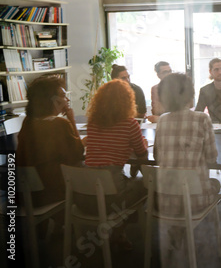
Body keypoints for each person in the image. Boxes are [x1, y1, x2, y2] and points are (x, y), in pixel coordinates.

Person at [83, 79, 149, 250]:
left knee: (124, 180)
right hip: (113, 196)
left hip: (85, 194)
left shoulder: (92, 123)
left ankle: (119, 231)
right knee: (145, 185)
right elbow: (142, 155)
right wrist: (142, 142)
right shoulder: (130, 124)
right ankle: (119, 229)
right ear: (127, 101)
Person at [154, 73, 221, 215]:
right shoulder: (202, 119)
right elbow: (211, 158)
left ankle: (177, 231)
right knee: (216, 183)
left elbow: (157, 157)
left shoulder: (162, 120)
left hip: (166, 200)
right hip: (196, 200)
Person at [17, 75, 84, 207]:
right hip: (51, 192)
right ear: (51, 100)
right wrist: (72, 120)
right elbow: (78, 153)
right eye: (63, 95)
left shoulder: (28, 122)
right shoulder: (59, 124)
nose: (67, 99)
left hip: (26, 193)